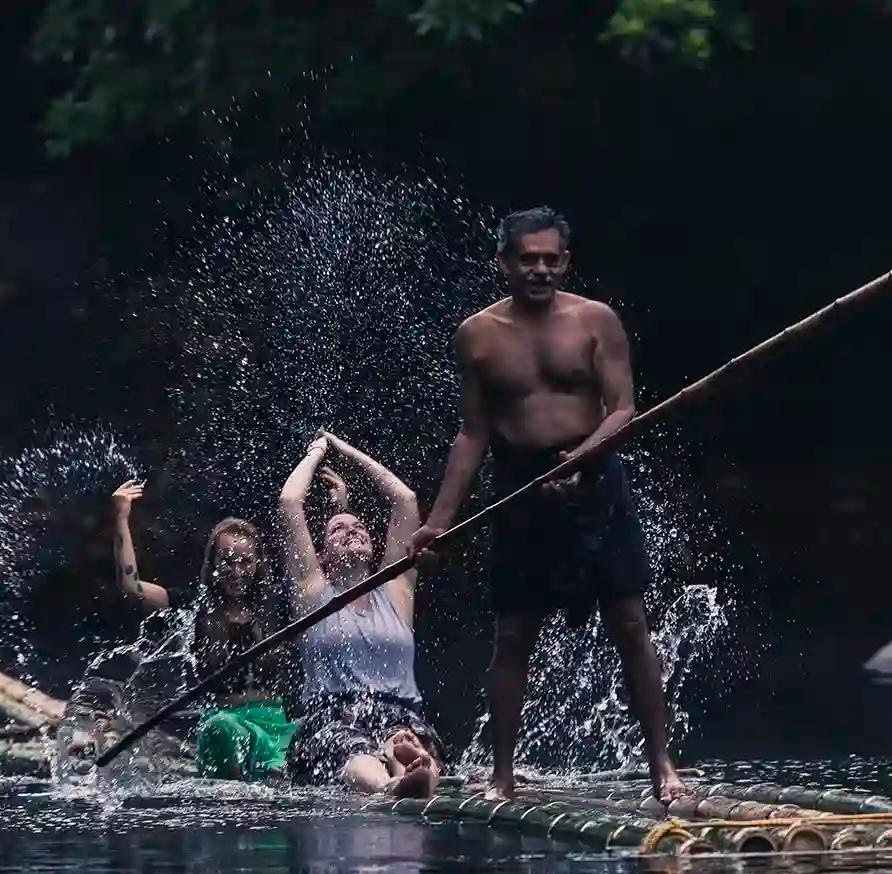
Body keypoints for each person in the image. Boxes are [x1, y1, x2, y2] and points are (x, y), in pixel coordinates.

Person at [407, 206, 689, 802]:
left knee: (631, 623)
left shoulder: (596, 321)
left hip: (595, 476)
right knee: (513, 633)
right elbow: (473, 434)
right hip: (520, 486)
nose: (539, 269)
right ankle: (502, 775)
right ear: (505, 263)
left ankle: (663, 766)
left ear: (565, 262)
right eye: (527, 259)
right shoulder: (478, 335)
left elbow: (622, 408)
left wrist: (585, 458)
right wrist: (437, 522)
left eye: (550, 259)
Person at [278, 431, 443, 797]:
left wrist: (346, 449)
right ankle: (388, 783)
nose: (352, 531)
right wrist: (318, 450)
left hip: (399, 712)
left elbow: (405, 499)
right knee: (349, 749)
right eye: (338, 529)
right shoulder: (312, 593)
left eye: (360, 527)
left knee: (411, 738)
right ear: (320, 556)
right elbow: (290, 502)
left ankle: (410, 767)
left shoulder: (396, 590)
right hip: (332, 714)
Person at [110, 481, 293, 779]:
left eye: (245, 562)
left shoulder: (278, 607)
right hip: (220, 728)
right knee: (221, 728)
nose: (237, 572)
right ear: (214, 563)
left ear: (258, 564)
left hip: (273, 726)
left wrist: (342, 509)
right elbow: (131, 587)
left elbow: (324, 573)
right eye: (228, 562)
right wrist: (120, 517)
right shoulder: (195, 606)